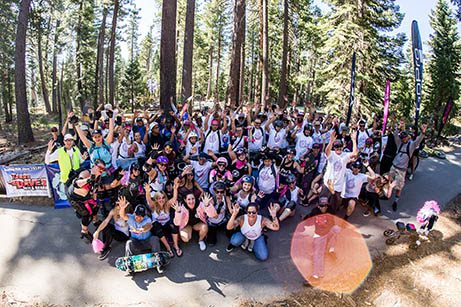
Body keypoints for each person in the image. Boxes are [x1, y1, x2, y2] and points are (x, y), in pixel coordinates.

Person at [389, 124, 427, 211]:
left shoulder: (412, 145)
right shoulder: (400, 143)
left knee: (399, 187)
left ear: (407, 137)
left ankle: (395, 201)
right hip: (393, 166)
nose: (403, 139)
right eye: (402, 138)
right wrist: (398, 127)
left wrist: (423, 133)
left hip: (402, 170)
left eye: (404, 138)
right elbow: (395, 135)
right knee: (389, 181)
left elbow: (418, 140)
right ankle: (388, 194)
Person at [302, 196, 340, 281]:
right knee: (318, 254)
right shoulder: (315, 211)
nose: (324, 207)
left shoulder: (330, 210)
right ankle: (316, 275)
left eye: (326, 205)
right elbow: (308, 218)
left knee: (337, 229)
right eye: (322, 206)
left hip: (326, 232)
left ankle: (331, 250)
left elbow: (332, 223)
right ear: (318, 206)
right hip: (319, 234)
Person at [119, 200, 162, 271]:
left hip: (147, 242)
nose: (138, 218)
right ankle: (129, 264)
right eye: (137, 215)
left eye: (141, 216)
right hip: (136, 243)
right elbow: (123, 215)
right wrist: (122, 208)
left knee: (155, 239)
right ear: (134, 213)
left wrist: (140, 230)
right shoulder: (131, 218)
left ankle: (158, 261)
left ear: (144, 216)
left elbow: (148, 226)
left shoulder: (147, 219)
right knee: (129, 243)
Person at [323, 130, 358, 213]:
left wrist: (353, 140)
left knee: (334, 206)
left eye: (340, 147)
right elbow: (326, 151)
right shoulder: (331, 154)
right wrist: (331, 141)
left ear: (343, 147)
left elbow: (355, 153)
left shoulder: (345, 156)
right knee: (323, 203)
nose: (338, 149)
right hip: (328, 184)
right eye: (336, 147)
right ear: (334, 148)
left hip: (338, 186)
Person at [92, 196, 131, 260]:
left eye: (121, 204)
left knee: (111, 231)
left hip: (124, 235)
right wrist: (97, 231)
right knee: (104, 226)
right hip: (116, 230)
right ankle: (105, 243)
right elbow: (105, 221)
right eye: (118, 204)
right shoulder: (113, 211)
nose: (119, 206)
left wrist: (122, 209)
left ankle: (106, 248)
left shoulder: (128, 213)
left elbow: (123, 215)